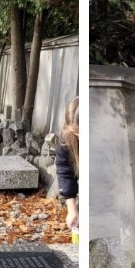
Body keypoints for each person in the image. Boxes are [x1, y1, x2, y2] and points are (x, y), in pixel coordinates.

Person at [56, 97, 79, 233]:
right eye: (75, 132)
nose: (79, 136)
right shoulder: (67, 138)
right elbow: (65, 171)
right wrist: (72, 209)